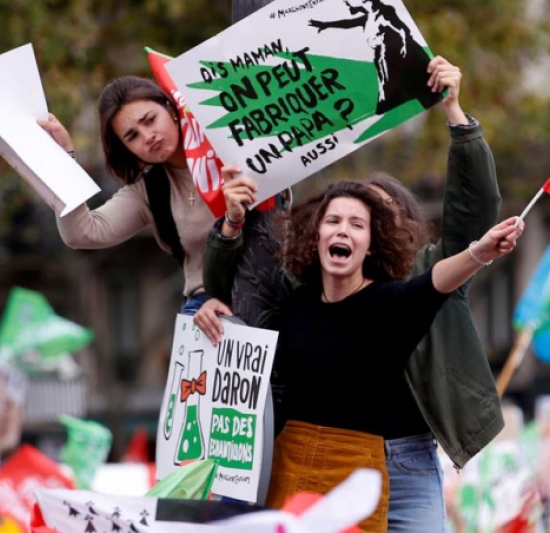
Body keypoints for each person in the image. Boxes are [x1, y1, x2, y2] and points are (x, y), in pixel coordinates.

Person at [198, 56, 503, 532]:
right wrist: (224, 254)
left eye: (368, 220)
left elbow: (476, 215)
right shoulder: (307, 289)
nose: (350, 228)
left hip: (406, 461)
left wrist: (456, 116)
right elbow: (245, 286)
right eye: (337, 218)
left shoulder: (429, 276)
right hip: (312, 456)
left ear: (393, 231)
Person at [201, 180, 523, 532]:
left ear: (370, 245)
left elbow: (437, 281)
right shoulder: (294, 301)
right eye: (333, 221)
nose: (343, 230)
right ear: (316, 234)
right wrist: (217, 306)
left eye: (357, 225)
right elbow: (243, 293)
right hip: (290, 462)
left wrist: (480, 252)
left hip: (358, 474)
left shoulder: (393, 303)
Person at [37, 76, 218, 315]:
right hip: (207, 317)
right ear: (126, 148)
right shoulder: (150, 191)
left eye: (150, 120)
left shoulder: (229, 146)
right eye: (132, 136)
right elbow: (81, 232)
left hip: (272, 295)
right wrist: (64, 160)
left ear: (171, 109)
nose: (148, 136)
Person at [308, 0, 441, 114]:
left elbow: (402, 29)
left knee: (419, 88)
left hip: (396, 56)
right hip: (384, 57)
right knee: (394, 87)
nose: (349, 6)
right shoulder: (367, 17)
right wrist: (324, 25)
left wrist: (404, 45)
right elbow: (347, 23)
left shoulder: (384, 12)